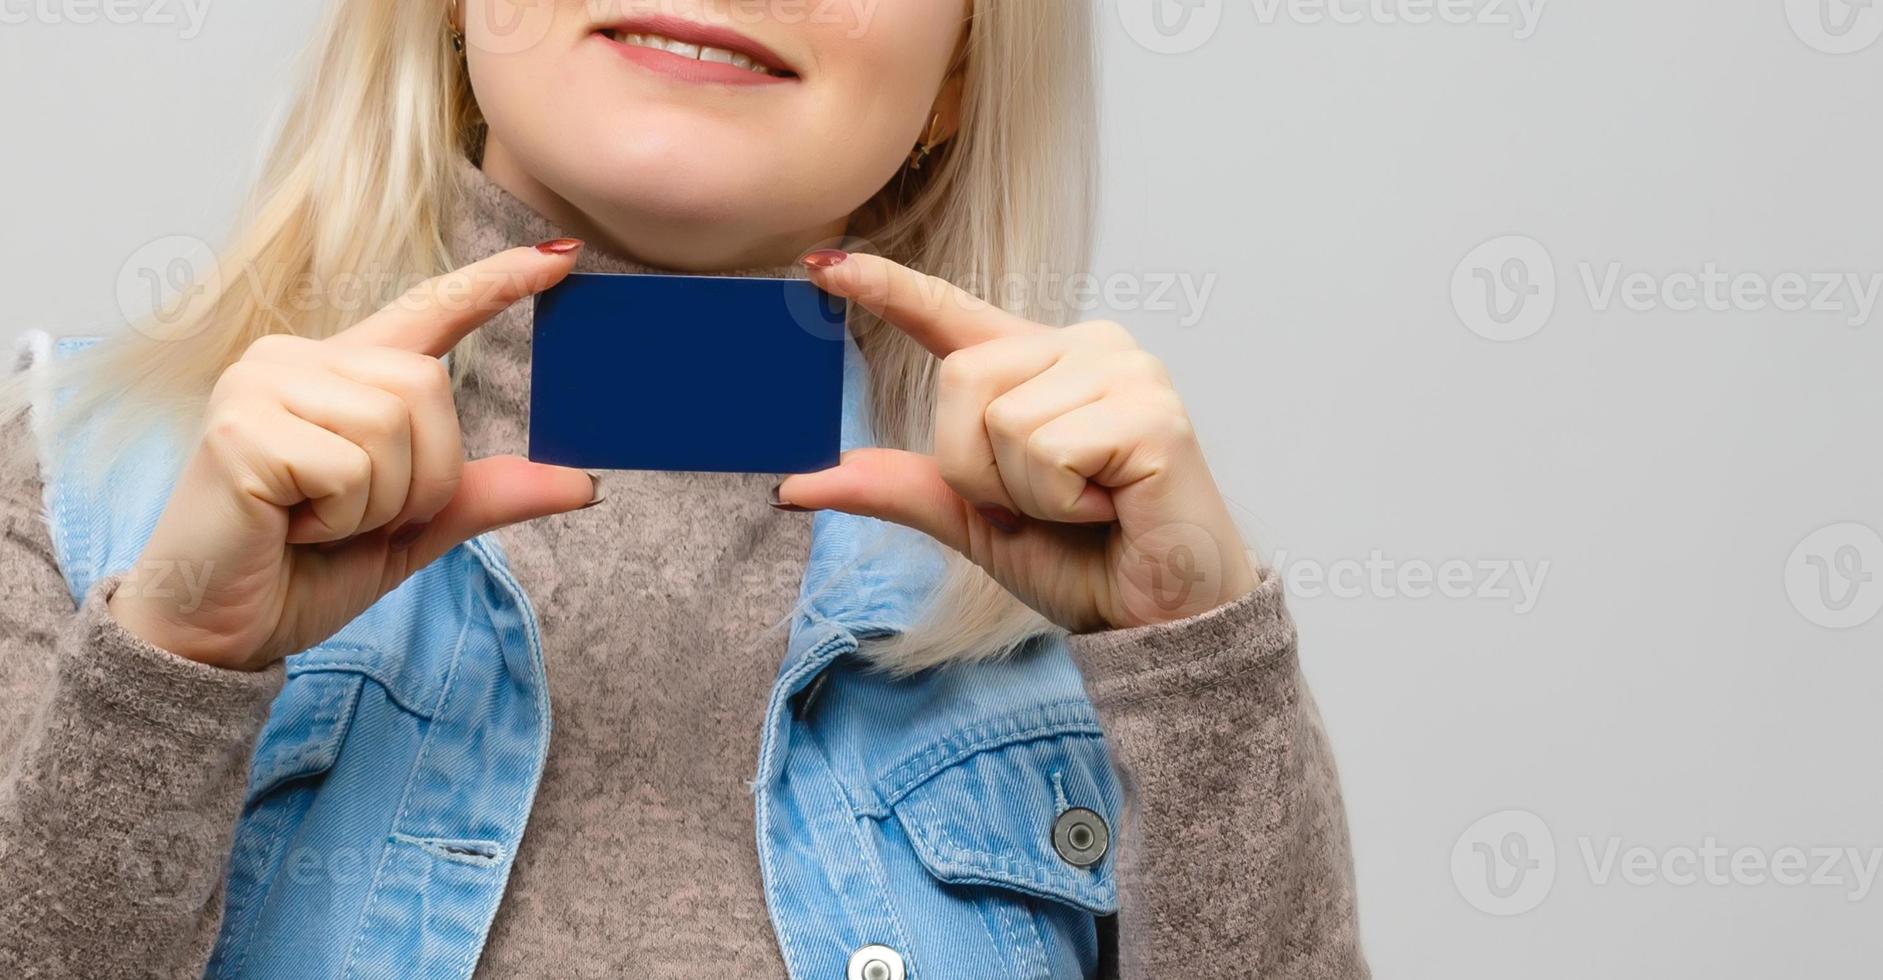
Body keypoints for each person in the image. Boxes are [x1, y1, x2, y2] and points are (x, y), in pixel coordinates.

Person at [0, 2, 1369, 977]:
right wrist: (171, 668)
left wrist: (1195, 666)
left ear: (958, 70)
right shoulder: (70, 492)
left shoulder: (1123, 605)